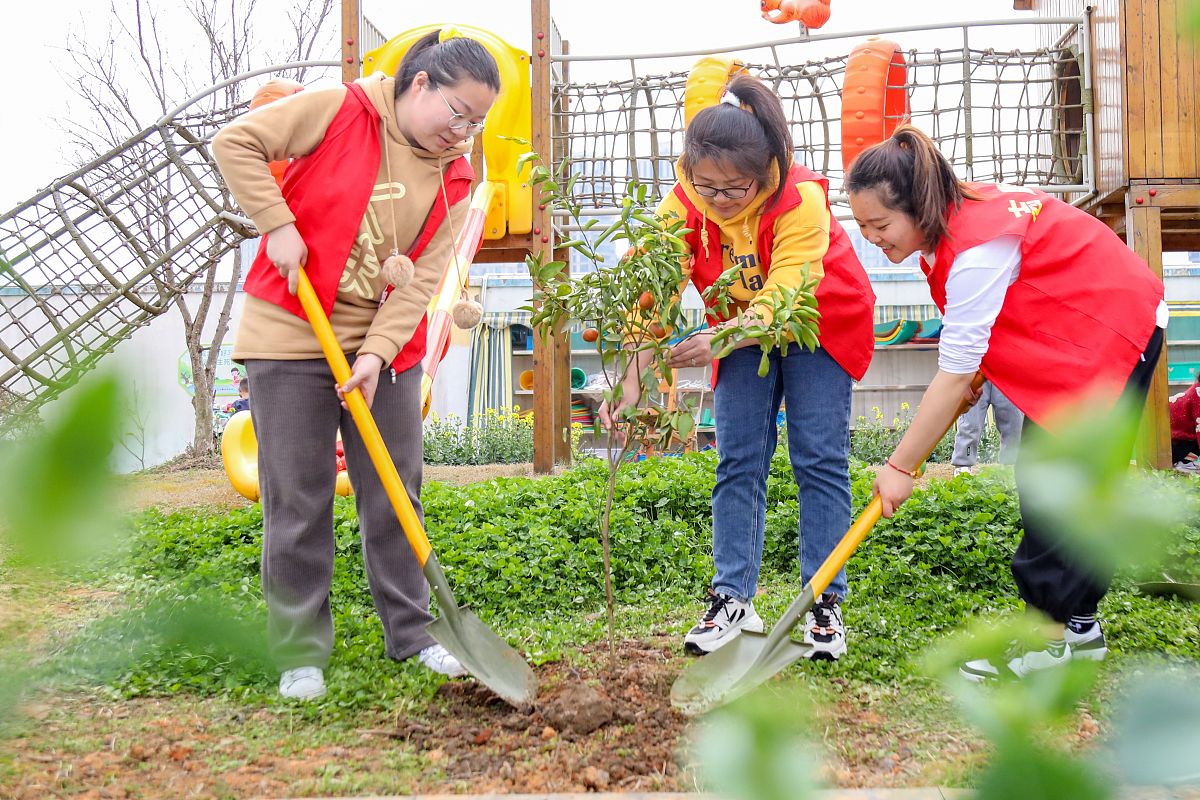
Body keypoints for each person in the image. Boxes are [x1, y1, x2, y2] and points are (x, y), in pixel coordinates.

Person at [213, 30, 500, 701]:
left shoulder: (457, 178)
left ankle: (415, 634)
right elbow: (237, 144)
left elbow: (424, 283)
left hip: (384, 343)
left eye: (476, 122)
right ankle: (300, 651)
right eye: (455, 113)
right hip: (290, 330)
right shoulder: (338, 109)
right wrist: (276, 222)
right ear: (420, 84)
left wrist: (373, 355)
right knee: (298, 497)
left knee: (396, 493)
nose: (462, 132)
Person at [846, 125, 1166, 681]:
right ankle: (1080, 630)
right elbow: (989, 336)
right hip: (1090, 333)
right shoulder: (961, 224)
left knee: (1054, 487)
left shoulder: (976, 247)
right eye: (863, 227)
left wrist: (899, 467)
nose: (873, 238)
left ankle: (1047, 643)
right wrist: (973, 374)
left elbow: (954, 372)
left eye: (880, 224)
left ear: (918, 206)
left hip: (1114, 331)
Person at [600, 74, 875, 661]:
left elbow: (787, 291)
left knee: (819, 457)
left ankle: (822, 602)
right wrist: (634, 383)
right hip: (739, 330)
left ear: (767, 170)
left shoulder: (800, 199)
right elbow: (651, 293)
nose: (720, 201)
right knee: (737, 459)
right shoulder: (680, 205)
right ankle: (732, 598)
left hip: (816, 322)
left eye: (735, 189)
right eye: (707, 188)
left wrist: (721, 339)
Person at [950, 380, 1022, 475]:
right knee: (970, 424)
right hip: (976, 372)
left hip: (1007, 372)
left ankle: (1011, 463)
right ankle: (963, 465)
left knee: (1014, 423)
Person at [1169, 376, 1200, 473]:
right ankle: (1184, 462)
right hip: (1176, 447)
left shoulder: (1196, 389)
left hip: (1174, 443)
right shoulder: (1198, 393)